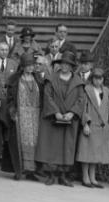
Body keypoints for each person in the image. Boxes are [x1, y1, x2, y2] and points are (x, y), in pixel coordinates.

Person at [35, 51, 85, 187]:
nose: (65, 66)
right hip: (53, 119)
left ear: (72, 66)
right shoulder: (51, 79)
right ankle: (50, 175)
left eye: (68, 64)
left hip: (69, 120)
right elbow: (47, 96)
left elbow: (81, 99)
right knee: (51, 146)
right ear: (59, 64)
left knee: (66, 147)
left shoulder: (78, 82)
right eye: (63, 63)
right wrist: (56, 112)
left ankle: (63, 176)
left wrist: (72, 113)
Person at [6, 52, 45, 181]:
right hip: (21, 116)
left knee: (35, 143)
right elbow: (10, 98)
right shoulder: (15, 80)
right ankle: (20, 170)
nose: (30, 68)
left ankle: (32, 171)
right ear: (22, 66)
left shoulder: (39, 80)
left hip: (35, 116)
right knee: (20, 143)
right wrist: (13, 111)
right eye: (28, 65)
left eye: (32, 65)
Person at [76, 68, 109, 188]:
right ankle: (85, 177)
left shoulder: (106, 92)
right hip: (90, 125)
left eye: (100, 78)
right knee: (86, 153)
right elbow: (83, 108)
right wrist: (85, 123)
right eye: (95, 78)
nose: (98, 80)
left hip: (101, 126)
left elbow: (106, 109)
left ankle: (93, 177)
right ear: (92, 78)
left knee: (96, 154)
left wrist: (106, 124)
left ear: (103, 79)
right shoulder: (87, 90)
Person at [0, 40, 18, 168]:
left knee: (8, 128)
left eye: (6, 50)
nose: (4, 52)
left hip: (9, 101)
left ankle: (6, 156)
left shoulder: (14, 64)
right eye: (1, 49)